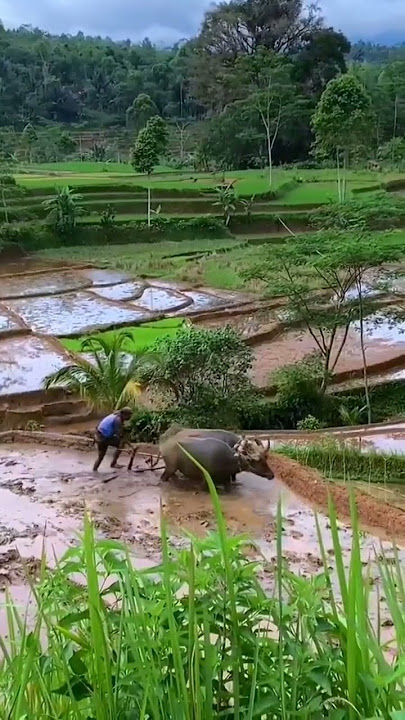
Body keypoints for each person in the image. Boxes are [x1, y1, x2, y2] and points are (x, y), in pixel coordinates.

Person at [93, 407, 132, 472]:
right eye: (128, 415)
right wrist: (129, 446)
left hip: (99, 435)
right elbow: (120, 435)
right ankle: (113, 463)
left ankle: (94, 470)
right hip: (103, 438)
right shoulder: (118, 420)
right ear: (123, 414)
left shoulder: (115, 416)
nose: (129, 417)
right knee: (121, 444)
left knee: (101, 456)